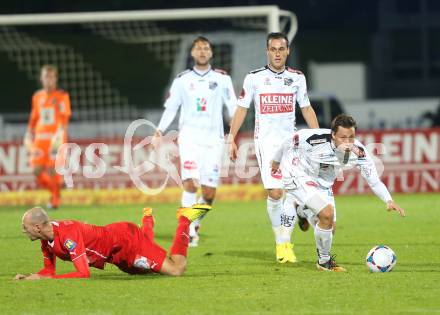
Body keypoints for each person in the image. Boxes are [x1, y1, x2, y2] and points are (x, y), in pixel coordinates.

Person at [271, 114, 406, 271]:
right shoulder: (314, 138)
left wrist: (388, 200)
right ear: (333, 135)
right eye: (343, 137)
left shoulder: (359, 153)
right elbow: (289, 140)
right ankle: (324, 262)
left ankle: (301, 210)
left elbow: (374, 181)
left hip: (323, 185)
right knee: (326, 213)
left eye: (351, 137)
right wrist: (276, 161)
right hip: (298, 174)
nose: (348, 142)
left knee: (329, 227)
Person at [228, 32, 319, 263]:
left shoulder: (297, 78)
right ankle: (282, 243)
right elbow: (241, 108)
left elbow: (306, 108)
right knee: (276, 193)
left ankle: (286, 240)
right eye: (273, 49)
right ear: (267, 51)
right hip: (266, 143)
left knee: (292, 193)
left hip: (291, 144)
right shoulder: (254, 78)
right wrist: (231, 138)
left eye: (281, 49)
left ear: (288, 51)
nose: (277, 53)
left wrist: (318, 136)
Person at [153, 36, 237, 247]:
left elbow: (234, 108)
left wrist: (233, 134)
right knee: (190, 183)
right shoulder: (182, 80)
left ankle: (194, 221)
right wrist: (159, 130)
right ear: (192, 53)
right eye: (198, 48)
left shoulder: (222, 79)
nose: (202, 51)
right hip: (189, 139)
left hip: (213, 141)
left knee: (208, 194)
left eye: (206, 48)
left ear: (211, 53)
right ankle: (187, 231)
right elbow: (171, 108)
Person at [14, 204, 211, 280]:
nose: (23, 230)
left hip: (126, 240)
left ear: (37, 227)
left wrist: (44, 279)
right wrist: (30, 277)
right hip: (116, 255)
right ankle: (147, 220)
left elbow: (83, 273)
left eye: (25, 227)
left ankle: (185, 219)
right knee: (148, 268)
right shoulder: (46, 241)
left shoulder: (68, 235)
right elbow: (49, 271)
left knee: (177, 269)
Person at [24, 65, 71, 209]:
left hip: (55, 138)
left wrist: (60, 133)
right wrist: (28, 132)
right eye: (46, 77)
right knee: (36, 170)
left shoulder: (62, 96)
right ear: (41, 78)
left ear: (55, 79)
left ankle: (55, 199)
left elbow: (65, 117)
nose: (48, 80)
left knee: (52, 170)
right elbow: (34, 117)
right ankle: (55, 191)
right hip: (39, 139)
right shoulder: (37, 96)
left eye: (51, 77)